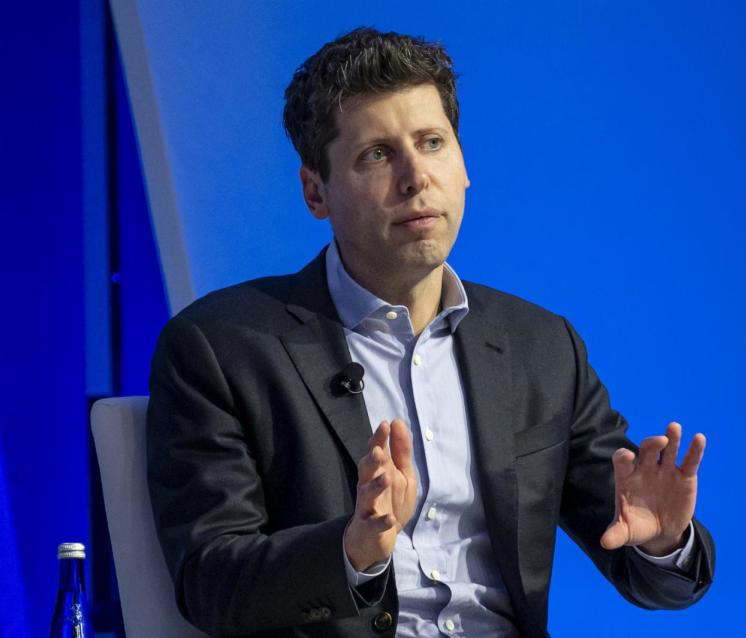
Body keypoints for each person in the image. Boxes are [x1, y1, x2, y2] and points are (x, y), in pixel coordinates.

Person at [147, 27, 715, 638]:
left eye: (432, 143)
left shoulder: (542, 348)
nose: (416, 177)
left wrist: (665, 543)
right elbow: (211, 582)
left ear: (464, 165)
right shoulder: (221, 346)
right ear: (316, 191)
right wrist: (354, 552)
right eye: (377, 154)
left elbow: (647, 567)